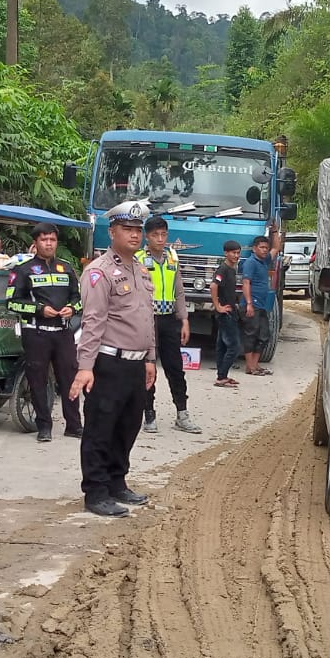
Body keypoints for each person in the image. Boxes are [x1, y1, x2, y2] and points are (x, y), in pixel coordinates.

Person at [69, 200, 157, 517]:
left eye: (138, 230)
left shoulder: (141, 269)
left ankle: (117, 481)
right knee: (100, 428)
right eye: (128, 229)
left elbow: (146, 317)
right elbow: (93, 322)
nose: (135, 235)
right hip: (108, 363)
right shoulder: (99, 272)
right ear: (112, 232)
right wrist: (85, 368)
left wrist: (150, 358)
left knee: (128, 425)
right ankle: (95, 491)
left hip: (136, 364)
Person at [6, 222, 83, 443]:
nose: (48, 244)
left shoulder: (67, 268)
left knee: (69, 378)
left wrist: (72, 309)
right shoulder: (23, 270)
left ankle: (74, 425)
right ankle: (44, 427)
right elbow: (12, 303)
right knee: (37, 380)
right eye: (44, 240)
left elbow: (78, 299)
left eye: (52, 240)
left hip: (63, 332)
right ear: (36, 243)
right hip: (36, 333)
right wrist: (40, 310)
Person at [138, 216, 201, 434]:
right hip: (147, 321)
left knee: (175, 368)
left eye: (163, 234)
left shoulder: (172, 257)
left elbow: (179, 291)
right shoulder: (137, 259)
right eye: (155, 235)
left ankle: (182, 414)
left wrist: (184, 319)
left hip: (168, 320)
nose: (160, 239)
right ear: (147, 236)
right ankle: (149, 414)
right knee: (148, 367)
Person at [239, 233, 280, 377]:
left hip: (261, 305)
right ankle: (249, 366)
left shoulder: (265, 260)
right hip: (251, 305)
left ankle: (255, 365)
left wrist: (274, 232)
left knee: (264, 335)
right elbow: (246, 283)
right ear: (254, 248)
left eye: (265, 248)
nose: (264, 250)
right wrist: (249, 303)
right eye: (261, 247)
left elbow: (276, 247)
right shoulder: (250, 263)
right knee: (251, 334)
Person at [210, 240, 244, 389]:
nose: (236, 256)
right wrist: (218, 306)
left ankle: (222, 376)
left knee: (222, 346)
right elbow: (213, 286)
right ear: (226, 253)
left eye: (238, 253)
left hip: (231, 311)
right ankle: (221, 376)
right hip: (226, 314)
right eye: (233, 253)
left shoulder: (232, 269)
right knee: (234, 346)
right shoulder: (222, 269)